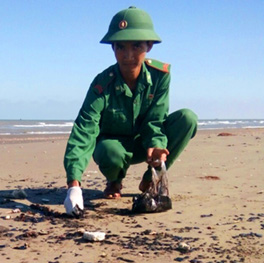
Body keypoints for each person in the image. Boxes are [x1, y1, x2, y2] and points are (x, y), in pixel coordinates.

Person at [63, 6, 198, 216]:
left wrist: (156, 146)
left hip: (144, 145)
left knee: (188, 118)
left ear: (149, 46)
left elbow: (155, 120)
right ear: (112, 48)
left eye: (136, 46)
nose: (128, 55)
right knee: (111, 152)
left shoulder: (160, 76)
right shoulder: (102, 84)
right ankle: (114, 181)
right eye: (120, 47)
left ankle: (150, 178)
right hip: (113, 148)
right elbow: (85, 129)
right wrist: (74, 185)